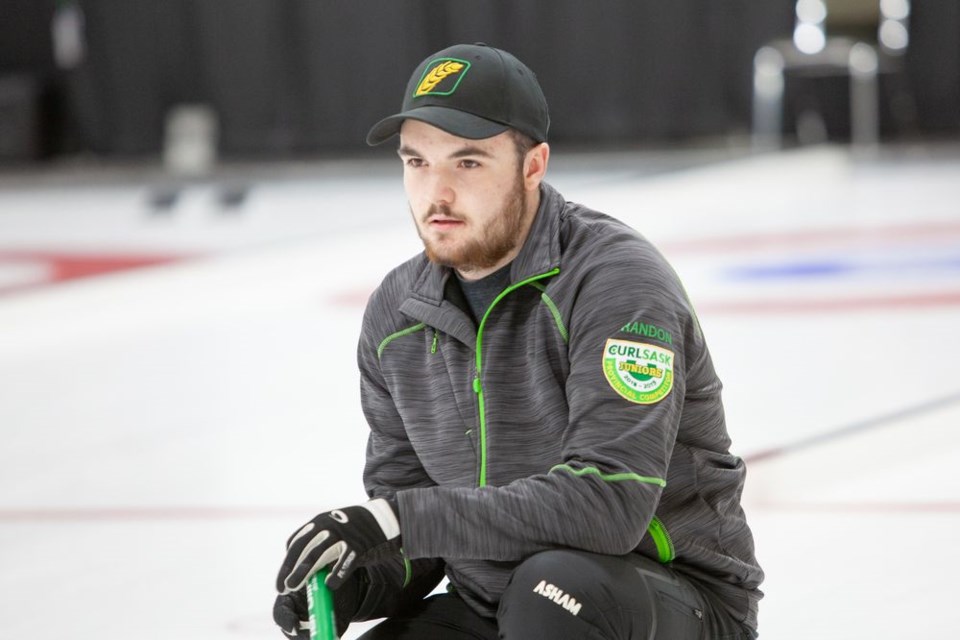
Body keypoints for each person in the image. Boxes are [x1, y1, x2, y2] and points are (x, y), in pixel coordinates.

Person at [273, 42, 764, 639]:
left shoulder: (615, 280)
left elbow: (609, 508)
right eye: (417, 163)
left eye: (468, 163)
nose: (437, 193)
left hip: (668, 597)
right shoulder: (396, 316)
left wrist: (397, 520)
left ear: (533, 166)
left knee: (552, 590)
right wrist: (356, 580)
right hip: (494, 604)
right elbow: (420, 545)